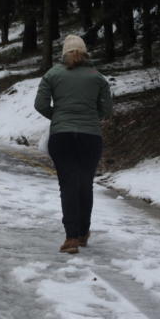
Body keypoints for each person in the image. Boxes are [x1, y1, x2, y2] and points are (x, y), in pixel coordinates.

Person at [34, 34, 113, 254]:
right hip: (90, 137)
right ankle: (83, 232)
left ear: (64, 53)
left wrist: (58, 116)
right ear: (85, 53)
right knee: (85, 183)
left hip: (62, 137)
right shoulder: (97, 77)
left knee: (68, 184)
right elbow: (107, 109)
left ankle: (71, 238)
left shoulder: (52, 74)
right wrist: (91, 118)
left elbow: (40, 104)